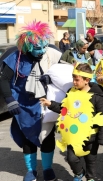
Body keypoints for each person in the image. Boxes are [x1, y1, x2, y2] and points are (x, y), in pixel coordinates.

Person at [0, 21, 61, 181]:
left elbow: (63, 75)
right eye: (37, 48)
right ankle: (31, 171)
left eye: (43, 46)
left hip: (45, 105)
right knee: (28, 139)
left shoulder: (50, 54)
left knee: (47, 137)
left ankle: (48, 169)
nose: (41, 51)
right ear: (27, 46)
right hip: (23, 107)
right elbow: (4, 80)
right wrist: (9, 99)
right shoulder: (16, 57)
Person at [40, 63, 103, 181]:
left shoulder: (97, 96)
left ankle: (91, 177)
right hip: (73, 134)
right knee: (71, 158)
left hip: (91, 136)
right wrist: (51, 104)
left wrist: (102, 138)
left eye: (77, 80)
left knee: (90, 160)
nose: (74, 82)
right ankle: (79, 173)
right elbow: (64, 109)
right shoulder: (71, 92)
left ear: (87, 80)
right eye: (73, 79)